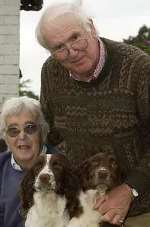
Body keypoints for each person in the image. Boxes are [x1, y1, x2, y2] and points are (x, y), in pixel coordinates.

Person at [36, 2, 150, 227]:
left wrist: (131, 189)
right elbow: (52, 133)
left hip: (139, 208)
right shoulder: (51, 72)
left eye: (75, 37)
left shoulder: (139, 67)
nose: (72, 51)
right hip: (80, 208)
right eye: (59, 47)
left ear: (91, 27)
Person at [0, 96, 49, 227]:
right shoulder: (1, 166)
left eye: (30, 128)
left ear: (41, 131)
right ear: (6, 137)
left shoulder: (61, 164)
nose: (22, 136)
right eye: (13, 130)